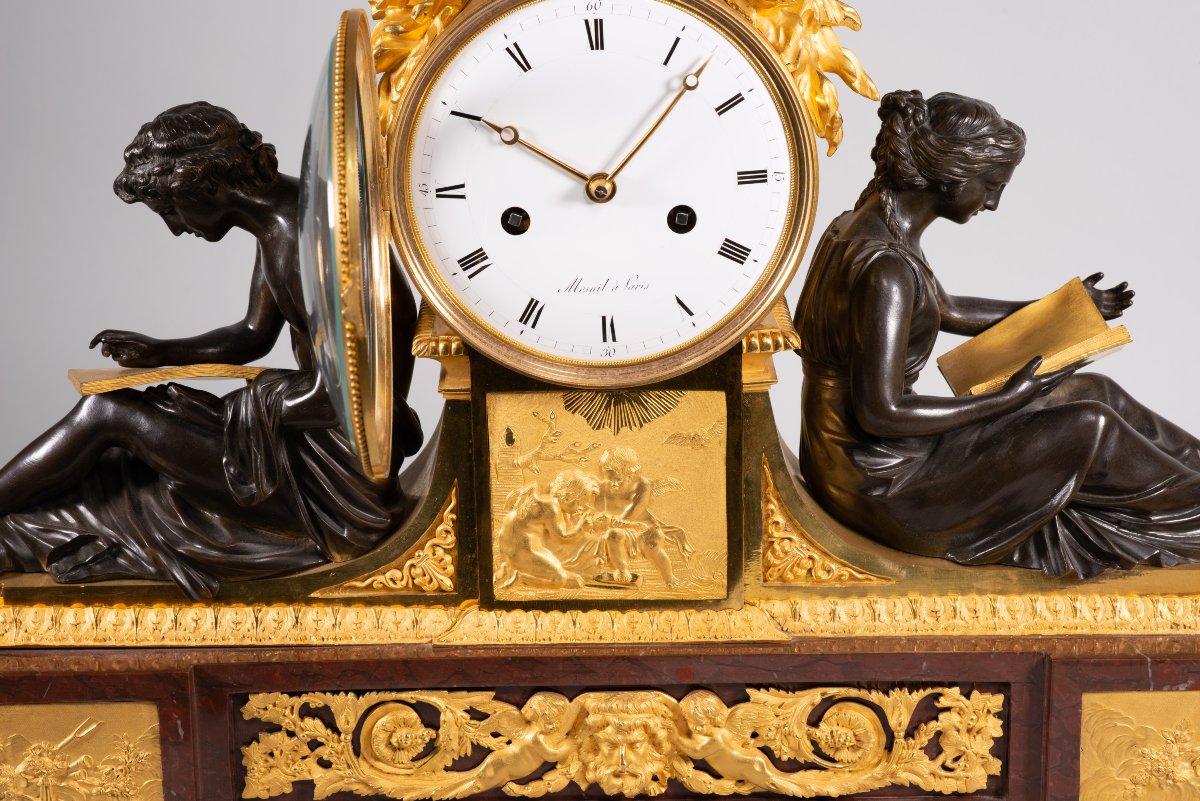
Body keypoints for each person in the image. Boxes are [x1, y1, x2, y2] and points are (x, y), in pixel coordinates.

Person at [0, 102, 422, 600]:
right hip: (298, 446)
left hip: (332, 483)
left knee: (107, 412)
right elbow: (251, 334)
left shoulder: (313, 247)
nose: (176, 227)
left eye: (170, 211)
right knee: (115, 473)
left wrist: (229, 416)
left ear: (203, 184)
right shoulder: (287, 225)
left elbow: (342, 399)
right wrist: (161, 352)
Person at [794, 89, 1200, 579]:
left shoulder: (870, 228)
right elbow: (883, 412)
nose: (994, 202)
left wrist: (1065, 309)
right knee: (1089, 426)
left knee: (1091, 390)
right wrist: (1005, 399)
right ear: (951, 176)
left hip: (853, 461)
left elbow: (944, 307)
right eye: (991, 184)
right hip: (883, 483)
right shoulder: (887, 268)